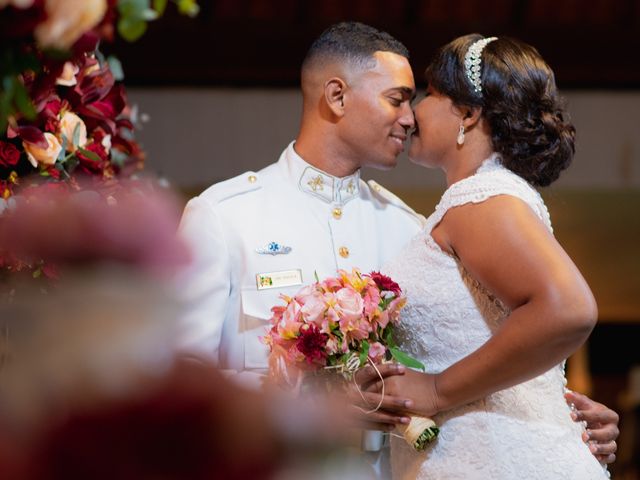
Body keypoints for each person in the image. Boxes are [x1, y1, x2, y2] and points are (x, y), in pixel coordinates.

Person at [176, 22, 618, 470]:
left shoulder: (413, 229)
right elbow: (173, 381)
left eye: (416, 99)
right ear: (337, 96)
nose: (410, 118)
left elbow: (466, 351)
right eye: (397, 99)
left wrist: (560, 411)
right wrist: (306, 401)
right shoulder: (226, 216)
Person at [354, 34, 615, 478]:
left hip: (495, 459)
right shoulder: (483, 198)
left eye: (432, 94)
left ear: (469, 114)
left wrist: (436, 390)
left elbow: (568, 309)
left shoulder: (480, 200)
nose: (414, 110)